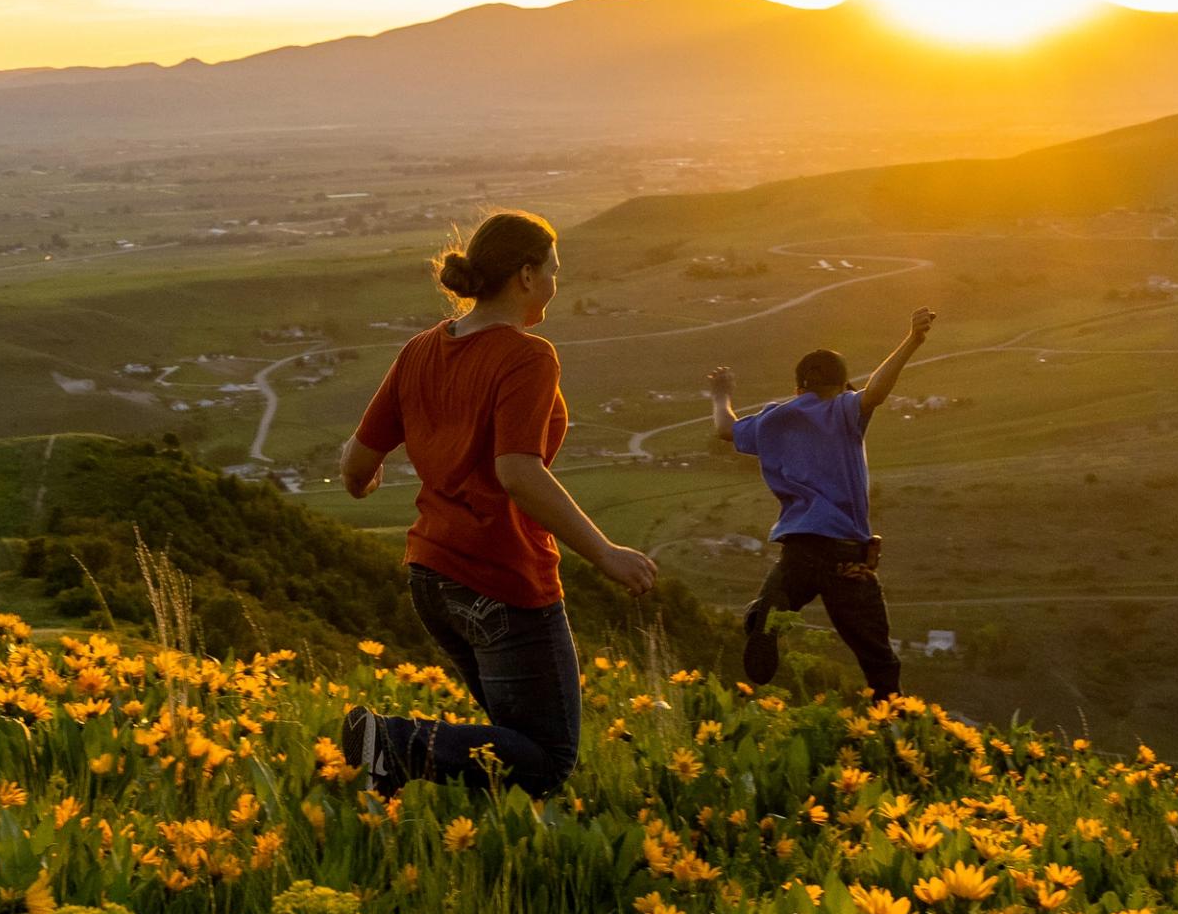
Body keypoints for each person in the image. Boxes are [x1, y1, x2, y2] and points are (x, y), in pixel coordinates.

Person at [334, 210, 655, 797]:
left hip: (434, 577)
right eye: (554, 270)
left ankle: (388, 782)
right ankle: (388, 743)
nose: (558, 283)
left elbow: (356, 464)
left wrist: (365, 484)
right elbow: (518, 472)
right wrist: (604, 552)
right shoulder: (527, 356)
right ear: (527, 275)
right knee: (548, 758)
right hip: (501, 578)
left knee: (508, 745)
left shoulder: (421, 349)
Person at [706, 307, 935, 696]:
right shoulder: (843, 410)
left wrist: (721, 394)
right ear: (841, 386)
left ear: (799, 388)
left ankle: (767, 611)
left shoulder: (776, 418)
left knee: (773, 611)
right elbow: (876, 392)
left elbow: (725, 428)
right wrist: (912, 340)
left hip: (799, 548)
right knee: (879, 660)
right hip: (846, 555)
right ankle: (893, 727)